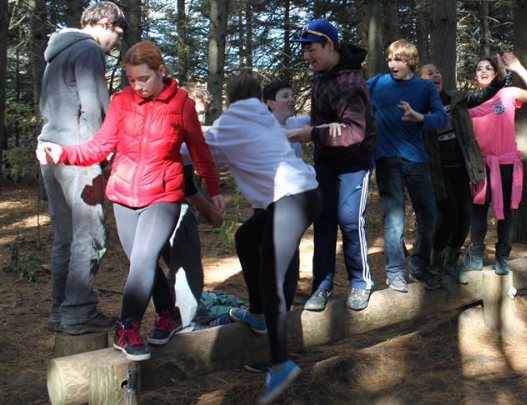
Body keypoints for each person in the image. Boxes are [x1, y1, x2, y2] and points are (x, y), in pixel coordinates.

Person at [37, 41, 223, 361]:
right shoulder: (122, 101)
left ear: (161, 71)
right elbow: (99, 146)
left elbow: (199, 151)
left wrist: (215, 189)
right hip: (123, 196)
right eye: (132, 79)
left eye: (144, 79)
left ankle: (128, 328)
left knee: (144, 259)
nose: (137, 86)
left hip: (163, 194)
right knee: (143, 264)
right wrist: (64, 152)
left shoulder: (181, 104)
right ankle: (167, 313)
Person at [199, 74, 321, 404]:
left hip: (290, 198)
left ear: (230, 99)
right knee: (245, 237)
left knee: (272, 277)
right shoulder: (262, 120)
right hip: (305, 194)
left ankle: (280, 362)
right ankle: (256, 313)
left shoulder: (231, 123)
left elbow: (197, 149)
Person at [37, 1, 126, 335]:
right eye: (117, 32)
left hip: (52, 150)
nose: (116, 42)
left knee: (65, 237)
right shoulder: (87, 50)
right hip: (80, 153)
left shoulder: (57, 50)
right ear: (105, 22)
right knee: (90, 235)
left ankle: (60, 312)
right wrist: (104, 156)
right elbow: (94, 109)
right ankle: (78, 311)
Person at [285, 19, 377, 312]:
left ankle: (361, 282)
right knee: (324, 221)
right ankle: (321, 286)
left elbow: (353, 132)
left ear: (329, 44)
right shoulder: (321, 75)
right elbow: (324, 121)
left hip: (354, 163)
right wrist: (311, 128)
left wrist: (310, 134)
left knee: (349, 220)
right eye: (303, 50)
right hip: (326, 161)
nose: (306, 56)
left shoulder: (349, 82)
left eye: (311, 49)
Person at [367, 40, 447, 292]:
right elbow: (352, 97)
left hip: (417, 160)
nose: (392, 64)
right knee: (394, 219)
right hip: (387, 160)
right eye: (390, 58)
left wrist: (421, 117)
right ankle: (394, 273)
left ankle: (418, 264)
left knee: (429, 216)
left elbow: (441, 117)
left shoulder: (424, 87)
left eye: (398, 59)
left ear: (410, 61)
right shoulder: (377, 83)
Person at [417, 62, 506, 279]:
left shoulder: (456, 99)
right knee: (449, 217)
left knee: (465, 217)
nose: (436, 75)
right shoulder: (419, 106)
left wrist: (501, 77)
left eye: (437, 71)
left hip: (463, 169)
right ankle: (435, 263)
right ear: (421, 81)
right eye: (430, 73)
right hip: (438, 173)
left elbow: (484, 94)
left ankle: (451, 262)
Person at [462, 52, 527, 278]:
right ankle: (476, 255)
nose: (484, 71)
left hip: (506, 162)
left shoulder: (508, 93)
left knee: (505, 212)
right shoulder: (469, 100)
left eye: (488, 67)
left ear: (496, 72)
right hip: (479, 164)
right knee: (478, 209)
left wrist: (518, 68)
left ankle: (503, 255)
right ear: (474, 75)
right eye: (479, 68)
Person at [152, 85, 223, 339]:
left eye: (203, 114)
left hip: (156, 203)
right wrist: (211, 213)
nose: (198, 118)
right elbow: (187, 186)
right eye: (196, 111)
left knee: (171, 264)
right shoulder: (174, 127)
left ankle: (171, 316)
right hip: (168, 204)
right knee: (187, 266)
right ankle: (186, 323)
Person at [263, 80, 310, 158]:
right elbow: (291, 135)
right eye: (285, 96)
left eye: (292, 96)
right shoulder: (265, 127)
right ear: (271, 103)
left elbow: (317, 117)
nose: (292, 99)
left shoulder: (294, 122)